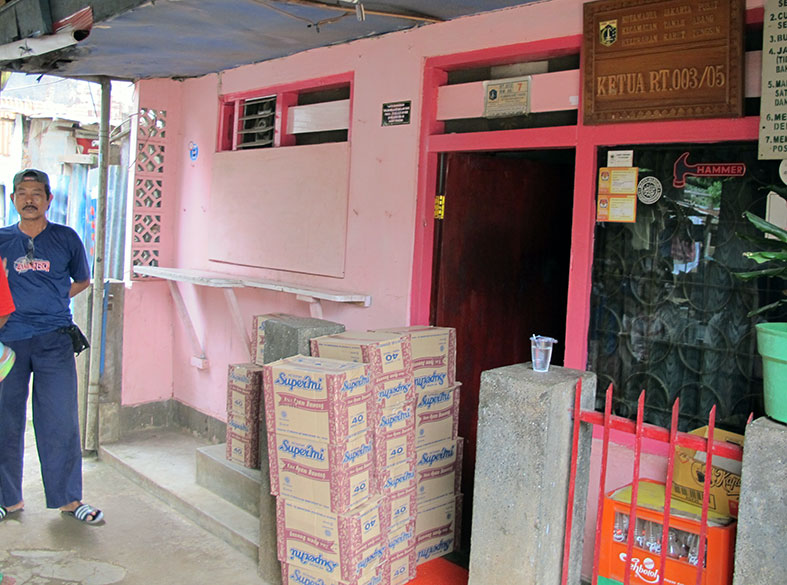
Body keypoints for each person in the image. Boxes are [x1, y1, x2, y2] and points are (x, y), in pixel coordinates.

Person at [0, 168, 102, 524]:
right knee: (5, 421)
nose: (29, 199)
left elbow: (82, 280)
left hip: (55, 340)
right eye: (22, 193)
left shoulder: (66, 238)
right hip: (9, 343)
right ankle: (7, 500)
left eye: (36, 194)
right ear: (12, 198)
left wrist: (53, 299)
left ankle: (69, 501)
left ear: (48, 199)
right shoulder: (1, 239)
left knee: (59, 419)